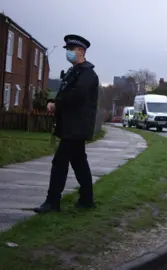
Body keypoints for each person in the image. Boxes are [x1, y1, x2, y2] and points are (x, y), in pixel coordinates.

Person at [34, 34, 99, 213]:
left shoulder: (88, 74)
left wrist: (56, 105)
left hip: (77, 126)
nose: (68, 53)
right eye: (67, 50)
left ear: (81, 51)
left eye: (71, 49)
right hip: (71, 125)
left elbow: (76, 96)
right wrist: (52, 100)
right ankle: (87, 199)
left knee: (59, 162)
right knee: (79, 162)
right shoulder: (74, 72)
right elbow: (64, 92)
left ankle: (52, 202)